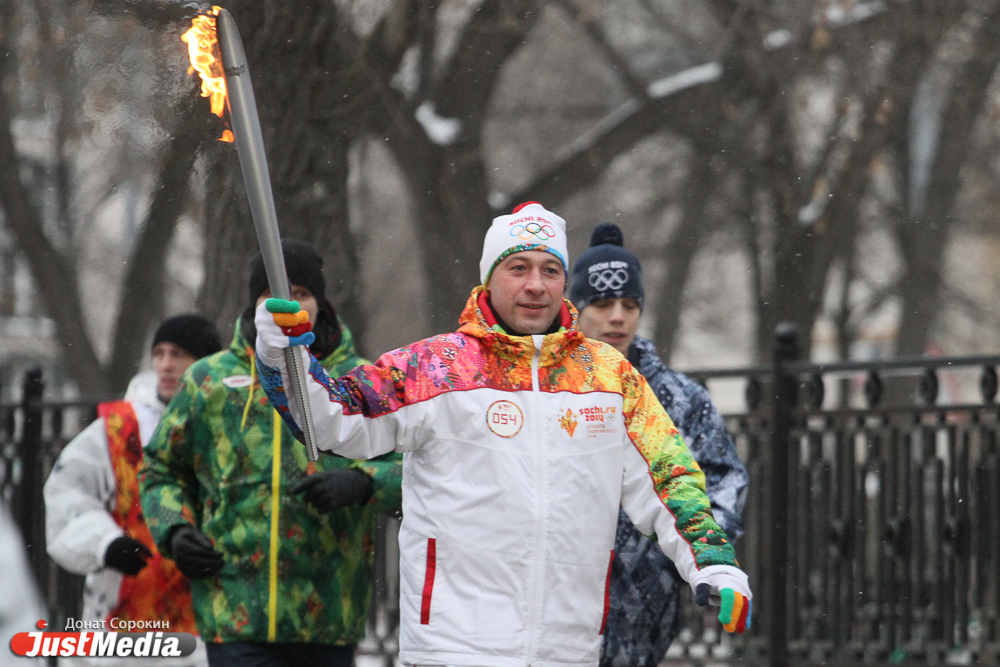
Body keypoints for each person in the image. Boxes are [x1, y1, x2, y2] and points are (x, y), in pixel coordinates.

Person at [253, 202, 753, 667]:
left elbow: (671, 480)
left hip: (569, 649)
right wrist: (282, 354)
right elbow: (330, 419)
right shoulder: (436, 367)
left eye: (550, 270)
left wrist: (714, 564)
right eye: (518, 269)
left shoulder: (609, 378)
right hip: (452, 647)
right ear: (490, 280)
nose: (535, 284)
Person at [140, 240, 402, 667]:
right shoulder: (208, 379)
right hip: (235, 609)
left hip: (329, 612)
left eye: (300, 294)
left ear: (320, 302)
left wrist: (363, 483)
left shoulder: (362, 380)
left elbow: (416, 472)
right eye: (271, 295)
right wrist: (176, 531)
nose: (287, 305)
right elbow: (161, 469)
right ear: (255, 304)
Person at [570, 223, 749, 667]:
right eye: (603, 303)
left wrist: (687, 554)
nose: (618, 317)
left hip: (645, 609)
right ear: (573, 309)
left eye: (630, 304)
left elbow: (726, 478)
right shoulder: (550, 391)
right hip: (562, 602)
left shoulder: (681, 400)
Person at [45, 314, 222, 667]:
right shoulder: (118, 429)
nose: (166, 365)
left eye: (179, 354)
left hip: (212, 624)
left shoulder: (233, 424)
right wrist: (104, 542)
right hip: (127, 628)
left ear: (205, 363)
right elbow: (66, 492)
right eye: (159, 353)